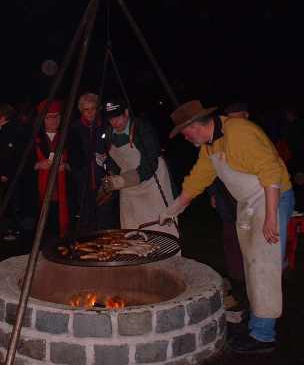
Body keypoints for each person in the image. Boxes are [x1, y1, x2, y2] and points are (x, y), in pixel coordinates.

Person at [160, 100, 294, 353]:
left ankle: (263, 336)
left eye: (184, 132)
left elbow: (271, 172)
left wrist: (272, 218)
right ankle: (257, 321)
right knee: (252, 265)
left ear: (195, 126)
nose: (184, 137)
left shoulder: (239, 132)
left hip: (271, 198)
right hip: (249, 202)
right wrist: (175, 207)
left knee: (265, 266)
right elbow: (200, 176)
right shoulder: (210, 144)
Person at [102, 99, 179, 237]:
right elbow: (113, 160)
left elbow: (150, 163)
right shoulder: (108, 134)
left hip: (153, 182)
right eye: (111, 119)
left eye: (118, 117)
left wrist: (123, 180)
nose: (115, 123)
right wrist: (112, 175)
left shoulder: (142, 128)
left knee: (160, 225)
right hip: (129, 186)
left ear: (126, 113)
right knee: (131, 225)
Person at [207, 103, 250, 308]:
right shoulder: (220, 139)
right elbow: (211, 168)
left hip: (248, 198)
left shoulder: (253, 137)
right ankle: (236, 279)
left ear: (247, 116)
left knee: (249, 238)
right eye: (230, 119)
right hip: (225, 196)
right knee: (230, 236)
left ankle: (250, 280)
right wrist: (213, 192)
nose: (235, 123)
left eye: (238, 118)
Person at [68, 93, 118, 233]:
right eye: (86, 109)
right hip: (83, 181)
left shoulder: (106, 125)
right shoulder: (75, 128)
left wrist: (107, 157)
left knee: (106, 217)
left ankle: (108, 248)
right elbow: (73, 156)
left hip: (105, 179)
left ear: (98, 109)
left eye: (93, 108)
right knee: (86, 218)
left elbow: (115, 149)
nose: (90, 112)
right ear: (81, 111)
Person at [35, 99, 70, 240]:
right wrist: (38, 164)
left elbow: (78, 161)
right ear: (43, 119)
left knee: (59, 231)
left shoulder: (68, 137)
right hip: (39, 191)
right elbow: (24, 164)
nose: (53, 120)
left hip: (62, 192)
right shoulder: (34, 139)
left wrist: (66, 166)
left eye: (56, 116)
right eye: (49, 117)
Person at [0, 104, 23, 241]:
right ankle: (13, 228)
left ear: (3, 116)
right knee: (10, 200)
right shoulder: (7, 129)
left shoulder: (8, 130)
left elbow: (8, 154)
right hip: (10, 170)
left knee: (12, 201)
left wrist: (4, 173)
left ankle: (15, 229)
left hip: (10, 171)